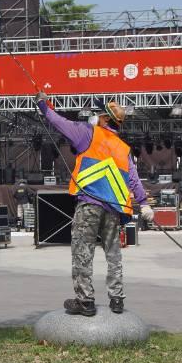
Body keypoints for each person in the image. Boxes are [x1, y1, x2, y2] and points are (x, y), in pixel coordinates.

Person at [35, 91, 154, 316]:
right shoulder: (123, 148)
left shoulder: (87, 133)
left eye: (98, 114)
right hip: (113, 209)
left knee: (83, 250)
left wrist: (43, 105)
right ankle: (117, 299)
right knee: (113, 253)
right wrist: (144, 203)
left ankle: (85, 301)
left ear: (106, 119)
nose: (95, 117)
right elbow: (133, 178)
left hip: (90, 204)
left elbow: (58, 122)